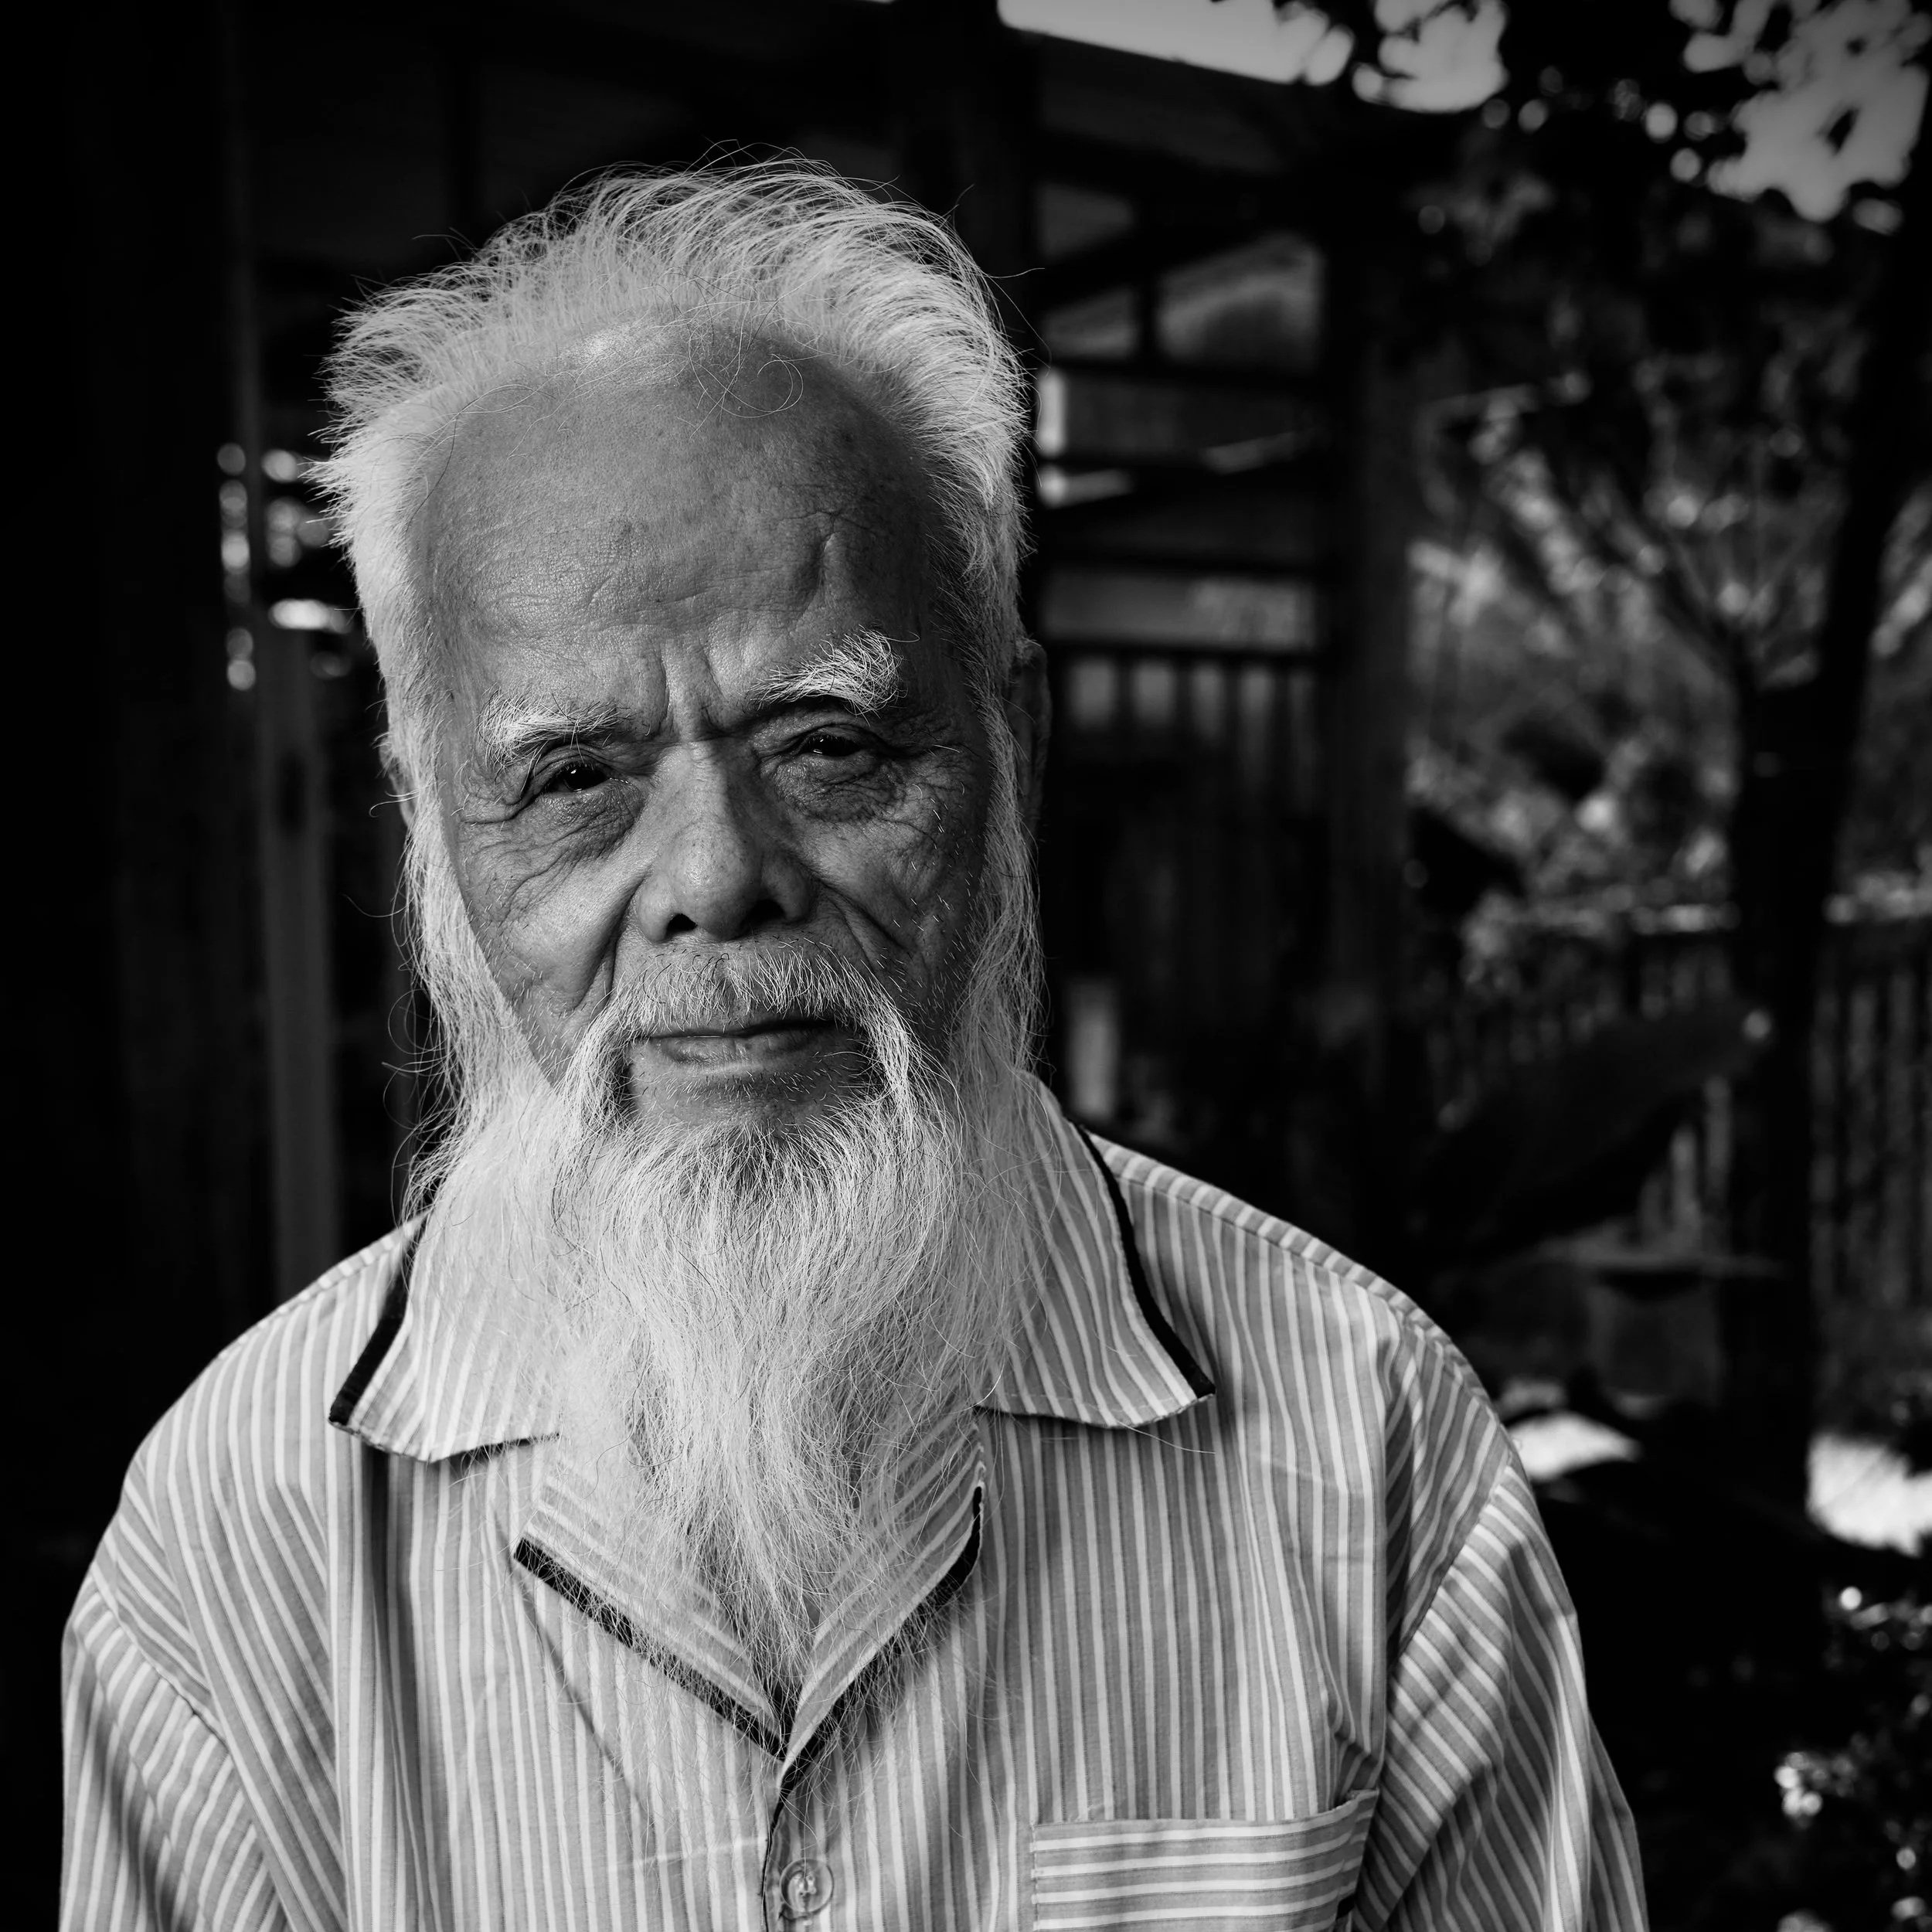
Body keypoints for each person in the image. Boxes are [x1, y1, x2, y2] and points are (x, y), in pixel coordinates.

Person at [63, 165, 1645, 1930]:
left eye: (828, 743)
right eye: (574, 779)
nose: (720, 879)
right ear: (434, 832)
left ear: (1006, 751)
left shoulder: (1363, 1442)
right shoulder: (243, 1536)